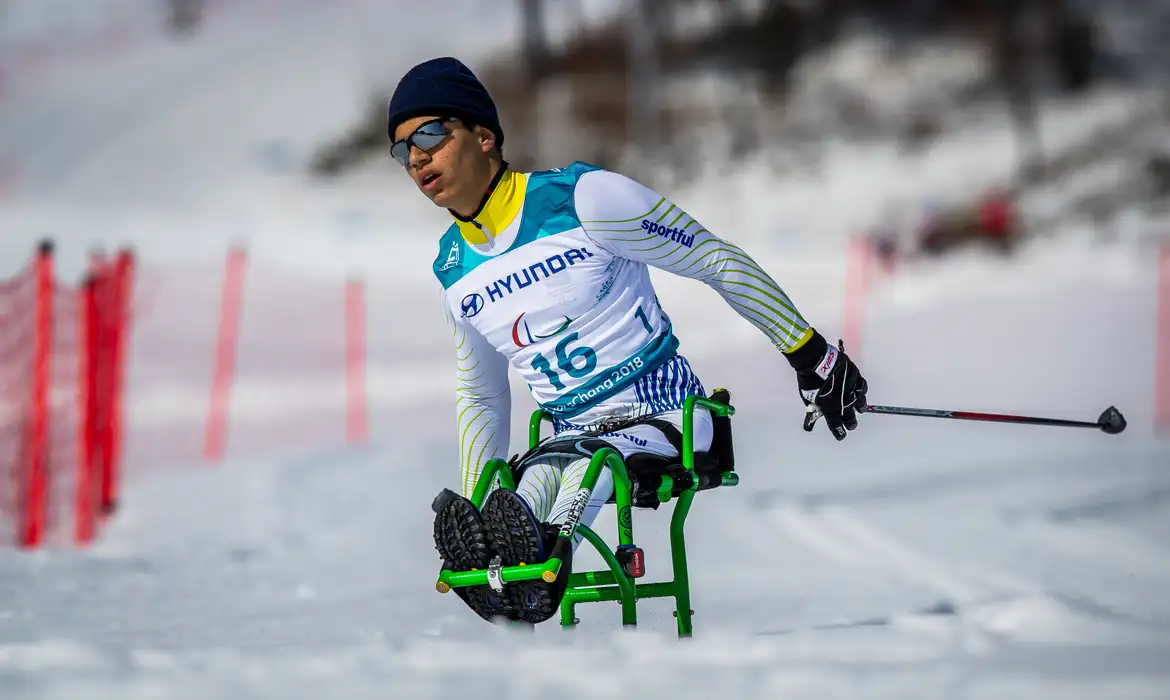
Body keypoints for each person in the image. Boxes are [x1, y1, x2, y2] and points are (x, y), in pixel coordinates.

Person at [387, 57, 869, 624]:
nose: (416, 157)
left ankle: (542, 563)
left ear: (484, 135)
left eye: (430, 134)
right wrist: (475, 499)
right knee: (535, 478)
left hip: (667, 412)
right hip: (571, 433)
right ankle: (497, 556)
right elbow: (482, 393)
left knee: (581, 470)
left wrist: (812, 356)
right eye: (402, 149)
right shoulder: (454, 270)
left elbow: (712, 258)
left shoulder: (586, 199)